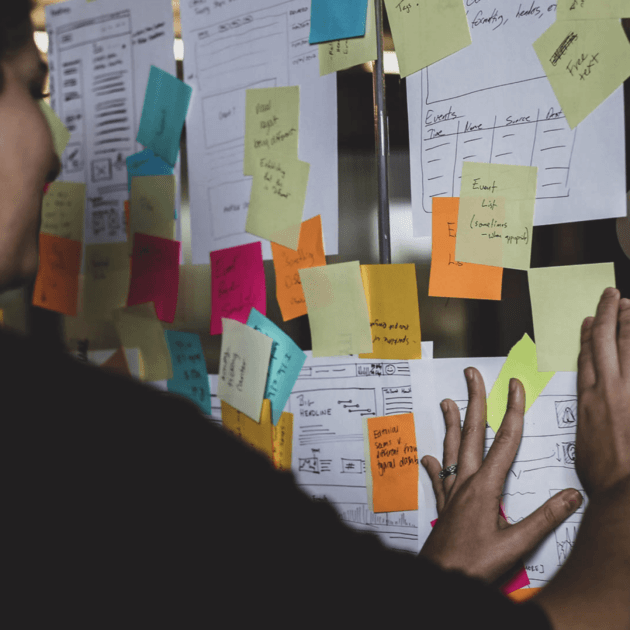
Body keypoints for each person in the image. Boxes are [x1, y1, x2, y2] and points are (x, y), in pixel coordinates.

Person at [1, 2, 629, 627]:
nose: (53, 150)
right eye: (34, 89)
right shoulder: (98, 442)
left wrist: (447, 580)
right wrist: (620, 483)